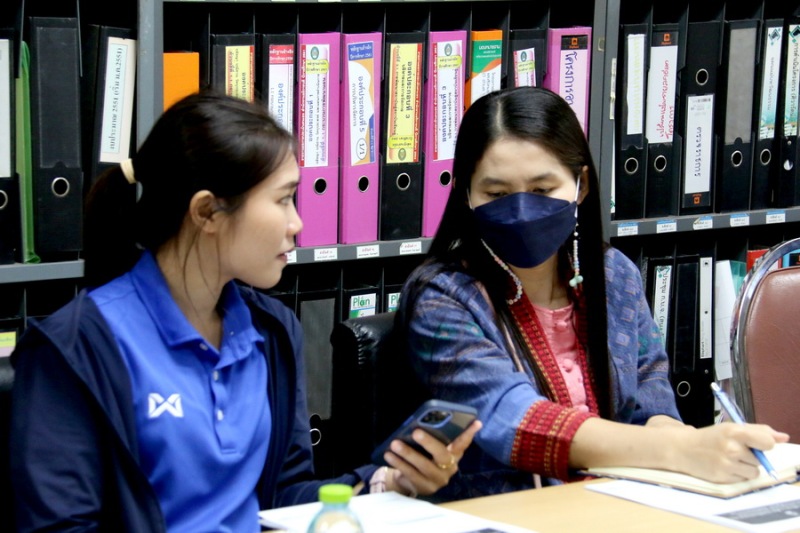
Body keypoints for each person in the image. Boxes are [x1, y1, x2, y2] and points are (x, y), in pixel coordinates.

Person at [9, 91, 481, 532]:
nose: (297, 223)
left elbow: (284, 497)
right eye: (283, 199)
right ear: (207, 212)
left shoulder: (272, 330)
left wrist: (387, 483)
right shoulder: (73, 348)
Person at [394, 86, 788, 501]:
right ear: (466, 194)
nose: (521, 210)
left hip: (615, 506)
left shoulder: (614, 274)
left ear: (580, 186)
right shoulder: (442, 296)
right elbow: (510, 418)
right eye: (496, 195)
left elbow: (651, 401)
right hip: (499, 513)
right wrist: (681, 449)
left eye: (542, 190)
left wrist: (687, 442)